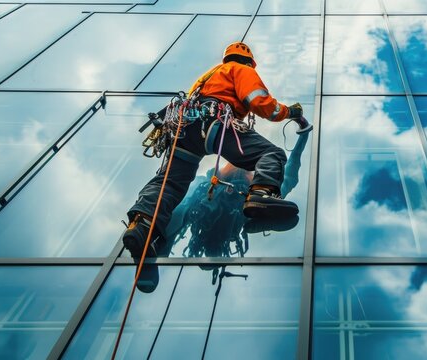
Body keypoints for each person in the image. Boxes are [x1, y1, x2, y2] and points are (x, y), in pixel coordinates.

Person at [123, 41, 308, 258]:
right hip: (213, 124)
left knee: (171, 182)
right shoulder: (240, 69)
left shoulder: (207, 77)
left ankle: (142, 224)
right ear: (249, 61)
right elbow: (260, 102)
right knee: (271, 154)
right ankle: (261, 193)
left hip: (185, 133)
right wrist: (289, 112)